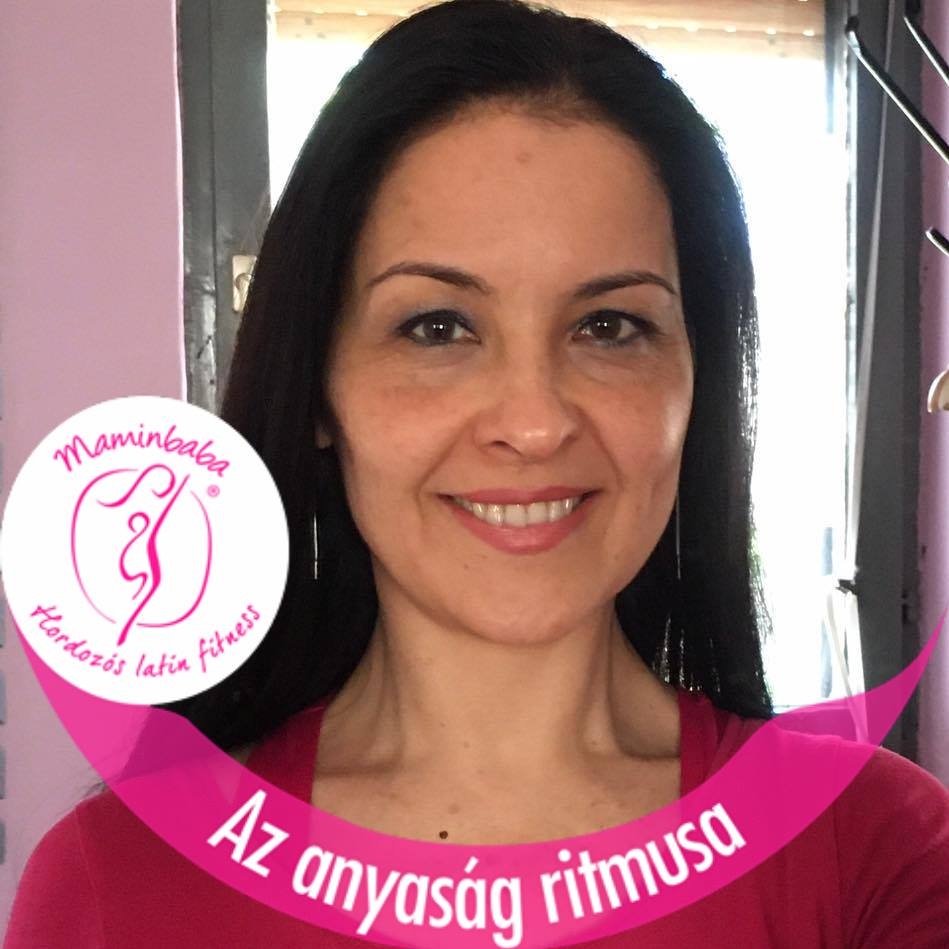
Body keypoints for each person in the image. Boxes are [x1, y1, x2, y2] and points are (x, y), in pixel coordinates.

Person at [6, 1, 949, 945]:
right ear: (320, 386)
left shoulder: (877, 852)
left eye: (608, 326)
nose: (533, 423)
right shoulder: (120, 879)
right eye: (437, 327)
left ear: (694, 380)